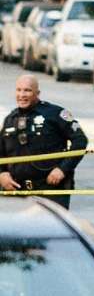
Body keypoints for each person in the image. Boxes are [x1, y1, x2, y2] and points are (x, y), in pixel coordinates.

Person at [0, 74, 88, 209]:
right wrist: (2, 173)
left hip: (50, 190)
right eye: (19, 90)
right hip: (17, 190)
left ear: (37, 93)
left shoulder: (55, 113)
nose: (22, 95)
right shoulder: (10, 119)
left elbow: (80, 140)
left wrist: (62, 169)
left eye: (27, 90)